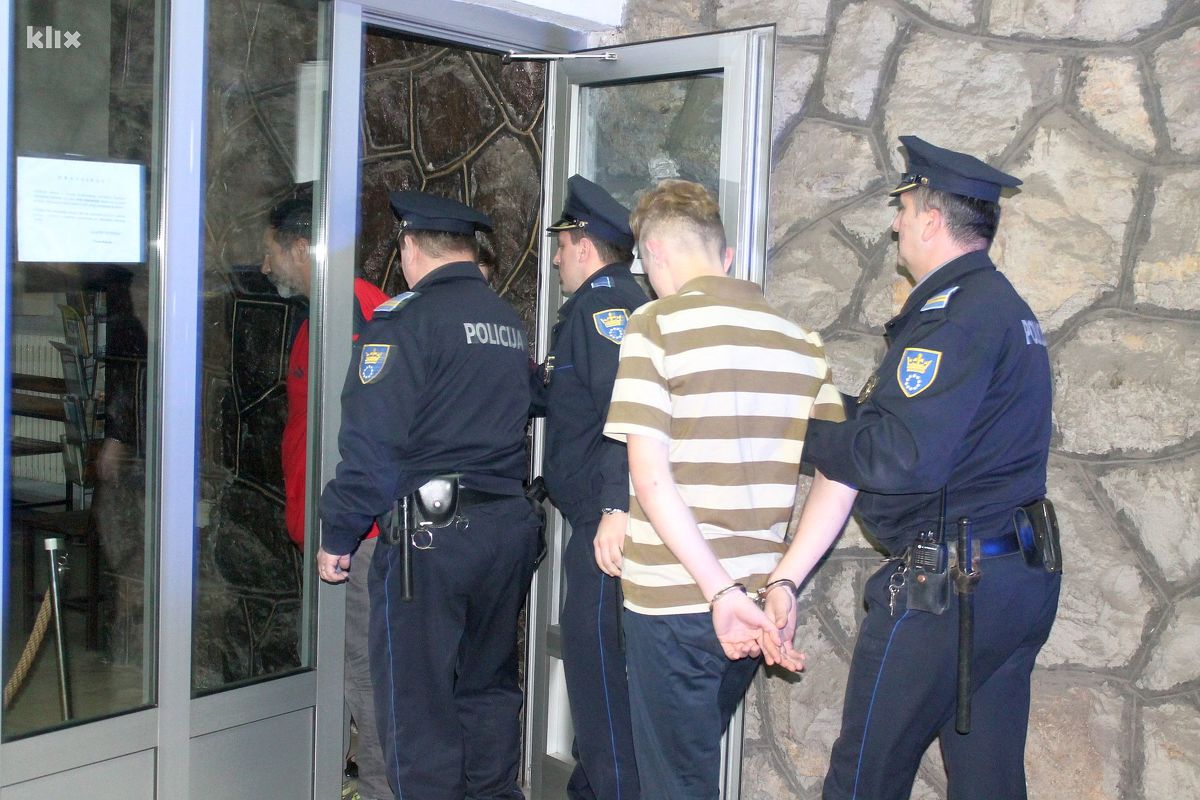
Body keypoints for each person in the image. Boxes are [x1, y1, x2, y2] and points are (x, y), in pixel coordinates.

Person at [763, 136, 1061, 800]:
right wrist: (820, 407)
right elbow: (919, 424)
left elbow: (898, 455)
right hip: (1010, 578)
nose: (895, 225)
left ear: (930, 218)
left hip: (949, 591)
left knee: (863, 780)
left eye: (901, 209)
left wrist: (788, 431)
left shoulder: (953, 318)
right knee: (988, 782)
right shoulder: (1002, 308)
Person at [602, 179, 846, 799]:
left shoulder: (654, 324)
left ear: (653, 253)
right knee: (690, 771)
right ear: (727, 256)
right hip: (755, 603)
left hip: (676, 601)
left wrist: (718, 591)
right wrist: (784, 580)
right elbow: (844, 474)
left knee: (673, 785)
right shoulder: (801, 340)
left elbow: (649, 478)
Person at [317, 191, 539, 800]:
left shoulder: (403, 320)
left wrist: (340, 531)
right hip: (505, 529)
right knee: (488, 690)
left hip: (431, 537)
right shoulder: (505, 321)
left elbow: (371, 446)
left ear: (410, 246)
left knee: (418, 708)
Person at [260, 195, 391, 800]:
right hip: (334, 534)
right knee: (343, 667)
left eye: (270, 252)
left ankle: (379, 788)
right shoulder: (326, 315)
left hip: (355, 540)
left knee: (363, 671)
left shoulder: (360, 312)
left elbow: (374, 430)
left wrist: (345, 528)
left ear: (299, 247)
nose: (266, 267)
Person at [531, 175, 648, 800]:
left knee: (600, 697)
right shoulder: (601, 307)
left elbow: (625, 415)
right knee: (598, 705)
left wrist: (613, 507)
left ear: (584, 246)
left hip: (607, 534)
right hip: (600, 524)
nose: (555, 259)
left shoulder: (607, 308)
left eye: (560, 246)